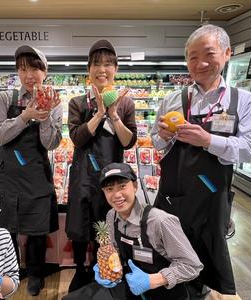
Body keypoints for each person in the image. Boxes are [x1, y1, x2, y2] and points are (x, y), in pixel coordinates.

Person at [151, 24, 251, 296]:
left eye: (208, 54)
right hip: (172, 197)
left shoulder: (243, 101)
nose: (200, 63)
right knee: (169, 257)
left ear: (226, 54)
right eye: (192, 56)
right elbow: (156, 141)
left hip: (212, 199)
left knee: (204, 264)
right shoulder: (173, 100)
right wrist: (163, 136)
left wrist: (208, 140)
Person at [64, 162, 203, 299]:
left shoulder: (160, 221)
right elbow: (115, 252)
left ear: (135, 186)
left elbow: (192, 266)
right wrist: (105, 268)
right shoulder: (111, 216)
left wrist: (153, 280)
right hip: (132, 287)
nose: (116, 194)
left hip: (167, 293)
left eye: (122, 186)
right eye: (109, 189)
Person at [0, 44, 62, 296]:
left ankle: (35, 274)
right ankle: (12, 271)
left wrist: (45, 116)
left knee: (37, 231)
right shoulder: (4, 99)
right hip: (6, 175)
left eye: (34, 68)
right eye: (23, 69)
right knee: (7, 229)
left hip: (35, 175)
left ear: (44, 71)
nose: (29, 74)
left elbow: (50, 143)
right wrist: (25, 116)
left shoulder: (53, 101)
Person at [65, 39, 137, 292]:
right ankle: (79, 270)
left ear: (116, 69)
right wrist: (98, 113)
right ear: (89, 69)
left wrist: (114, 114)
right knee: (79, 225)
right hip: (83, 174)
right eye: (96, 64)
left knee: (105, 225)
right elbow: (76, 138)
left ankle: (102, 268)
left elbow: (129, 142)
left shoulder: (126, 102)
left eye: (108, 64)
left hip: (112, 177)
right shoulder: (77, 102)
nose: (102, 69)